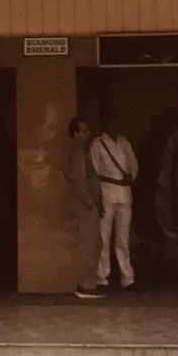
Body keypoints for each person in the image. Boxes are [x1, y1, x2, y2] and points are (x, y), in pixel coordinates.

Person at [89, 113, 139, 293]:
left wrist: (131, 176)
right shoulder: (97, 144)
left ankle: (128, 278)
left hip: (124, 193)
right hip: (106, 192)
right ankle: (102, 277)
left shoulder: (124, 143)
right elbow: (93, 171)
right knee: (103, 238)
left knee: (123, 238)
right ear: (104, 124)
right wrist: (97, 197)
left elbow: (133, 165)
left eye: (115, 120)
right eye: (110, 121)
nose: (113, 124)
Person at [65, 116, 105, 299]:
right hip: (85, 205)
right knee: (88, 245)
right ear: (75, 133)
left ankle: (90, 282)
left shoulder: (82, 151)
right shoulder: (77, 153)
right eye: (83, 131)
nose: (87, 134)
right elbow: (80, 179)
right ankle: (85, 285)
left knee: (95, 243)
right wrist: (89, 201)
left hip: (89, 204)